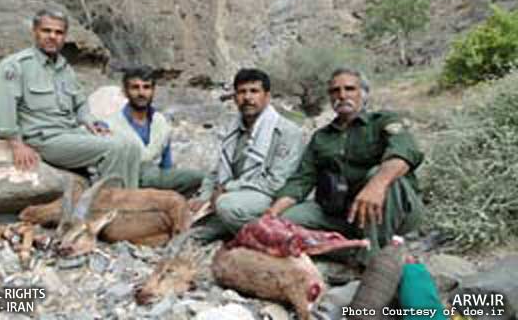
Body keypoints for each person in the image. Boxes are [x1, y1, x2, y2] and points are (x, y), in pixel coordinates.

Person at [267, 67, 424, 264]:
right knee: (286, 221)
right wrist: (272, 214)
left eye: (349, 89)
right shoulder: (321, 137)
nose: (342, 95)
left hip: (394, 211)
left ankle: (374, 260)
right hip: (344, 213)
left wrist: (375, 186)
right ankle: (354, 250)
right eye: (335, 91)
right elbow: (302, 180)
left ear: (363, 94)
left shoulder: (383, 121)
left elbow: (405, 151)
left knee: (380, 174)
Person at [0, 8, 141, 186]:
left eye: (59, 32)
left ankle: (128, 198)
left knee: (132, 146)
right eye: (46, 31)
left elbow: (80, 103)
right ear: (35, 31)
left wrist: (89, 121)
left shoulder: (64, 68)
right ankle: (113, 201)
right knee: (116, 149)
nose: (52, 36)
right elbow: (2, 109)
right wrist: (17, 145)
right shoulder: (15, 66)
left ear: (65, 36)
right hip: (43, 139)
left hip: (71, 133)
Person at [191, 68, 304, 241]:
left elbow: (276, 183)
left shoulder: (287, 132)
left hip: (269, 196)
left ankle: (266, 239)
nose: (247, 97)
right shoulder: (233, 128)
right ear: (235, 97)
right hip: (238, 193)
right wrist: (204, 196)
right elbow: (217, 170)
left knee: (225, 206)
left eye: (254, 91)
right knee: (192, 224)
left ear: (267, 96)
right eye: (242, 92)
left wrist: (227, 189)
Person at [106, 66, 205, 195]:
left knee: (202, 180)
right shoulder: (111, 124)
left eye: (146, 87)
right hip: (127, 182)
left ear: (153, 91)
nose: (141, 93)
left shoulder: (161, 122)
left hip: (156, 180)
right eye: (135, 87)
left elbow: (166, 166)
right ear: (125, 91)